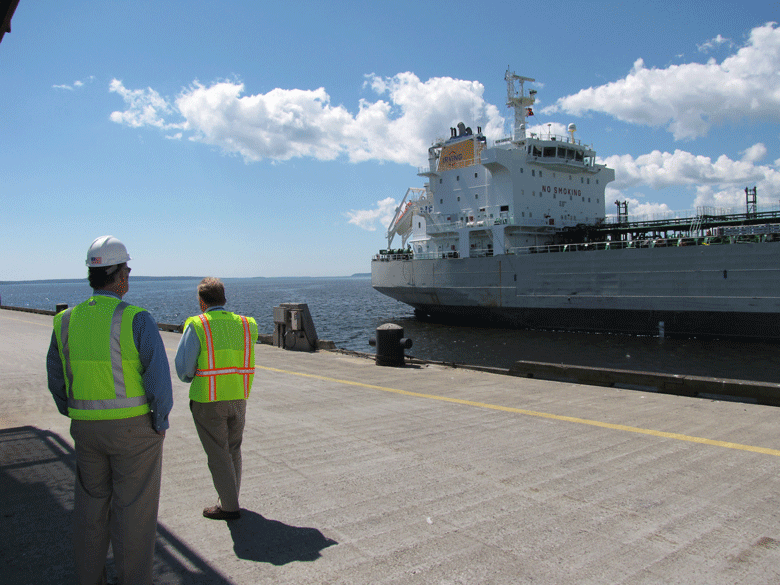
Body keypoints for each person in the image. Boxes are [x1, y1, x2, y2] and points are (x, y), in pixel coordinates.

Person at [46, 235, 173, 585]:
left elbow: (56, 378)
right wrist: (159, 421)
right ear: (118, 276)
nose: (129, 276)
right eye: (128, 269)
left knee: (90, 510)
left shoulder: (65, 321)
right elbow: (158, 379)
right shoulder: (136, 319)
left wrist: (75, 411)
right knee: (134, 513)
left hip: (86, 428)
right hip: (134, 431)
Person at [174, 277, 258, 520]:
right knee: (233, 449)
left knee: (218, 454)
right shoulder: (246, 324)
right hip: (239, 397)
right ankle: (230, 497)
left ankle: (229, 506)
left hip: (208, 399)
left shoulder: (198, 325)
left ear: (202, 302)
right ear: (224, 298)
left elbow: (183, 369)